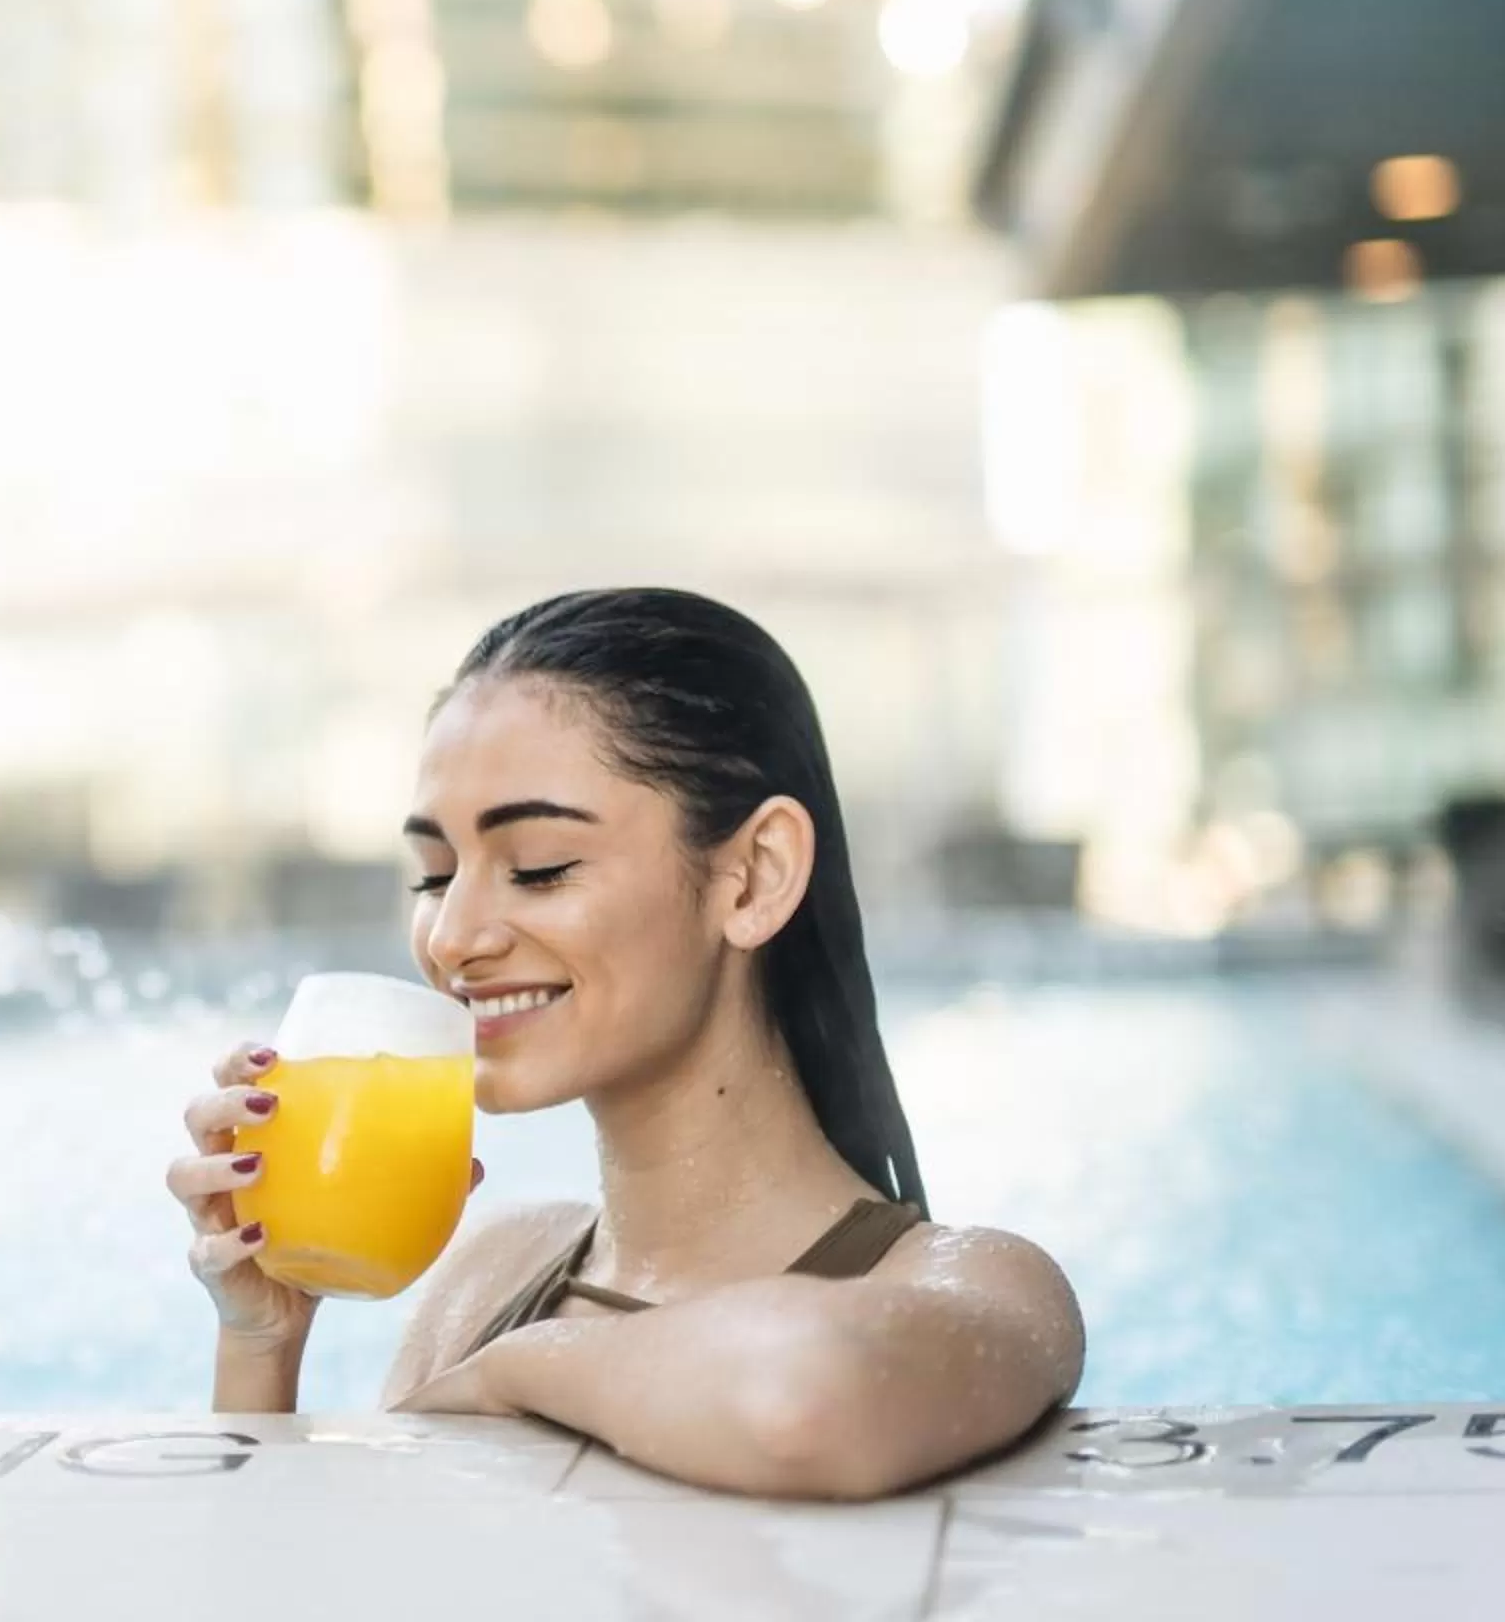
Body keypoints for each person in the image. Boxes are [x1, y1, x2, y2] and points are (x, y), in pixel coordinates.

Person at [166, 588, 1083, 1500]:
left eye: (539, 867)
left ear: (754, 877)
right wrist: (261, 1348)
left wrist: (516, 1366)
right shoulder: (494, 1270)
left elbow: (796, 1402)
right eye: (435, 876)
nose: (450, 939)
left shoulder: (977, 1285)